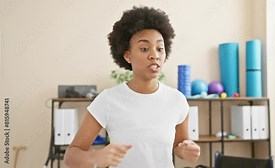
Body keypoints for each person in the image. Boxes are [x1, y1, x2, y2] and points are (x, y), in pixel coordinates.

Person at [64, 6, 201, 168]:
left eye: (160, 48)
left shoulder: (177, 100)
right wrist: (95, 157)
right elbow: (71, 156)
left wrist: (186, 151)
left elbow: (179, 145)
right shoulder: (108, 99)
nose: (154, 55)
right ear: (127, 55)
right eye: (144, 48)